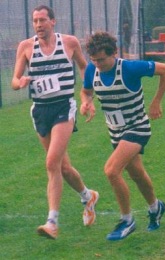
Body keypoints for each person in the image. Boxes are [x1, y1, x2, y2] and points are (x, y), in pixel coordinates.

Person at [11, 5, 99, 239]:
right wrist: (20, 83)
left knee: (51, 162)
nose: (38, 25)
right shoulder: (26, 47)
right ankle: (87, 196)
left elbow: (84, 67)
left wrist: (87, 96)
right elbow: (14, 80)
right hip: (40, 110)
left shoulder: (69, 43)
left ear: (53, 22)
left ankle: (52, 222)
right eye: (35, 21)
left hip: (63, 106)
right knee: (63, 167)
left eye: (42, 20)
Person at [80, 31, 165, 241]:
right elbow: (86, 91)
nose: (98, 64)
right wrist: (87, 102)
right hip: (115, 131)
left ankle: (127, 220)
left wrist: (156, 101)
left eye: (102, 59)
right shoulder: (91, 70)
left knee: (111, 171)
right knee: (137, 174)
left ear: (114, 53)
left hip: (137, 126)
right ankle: (155, 208)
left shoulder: (129, 68)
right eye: (93, 60)